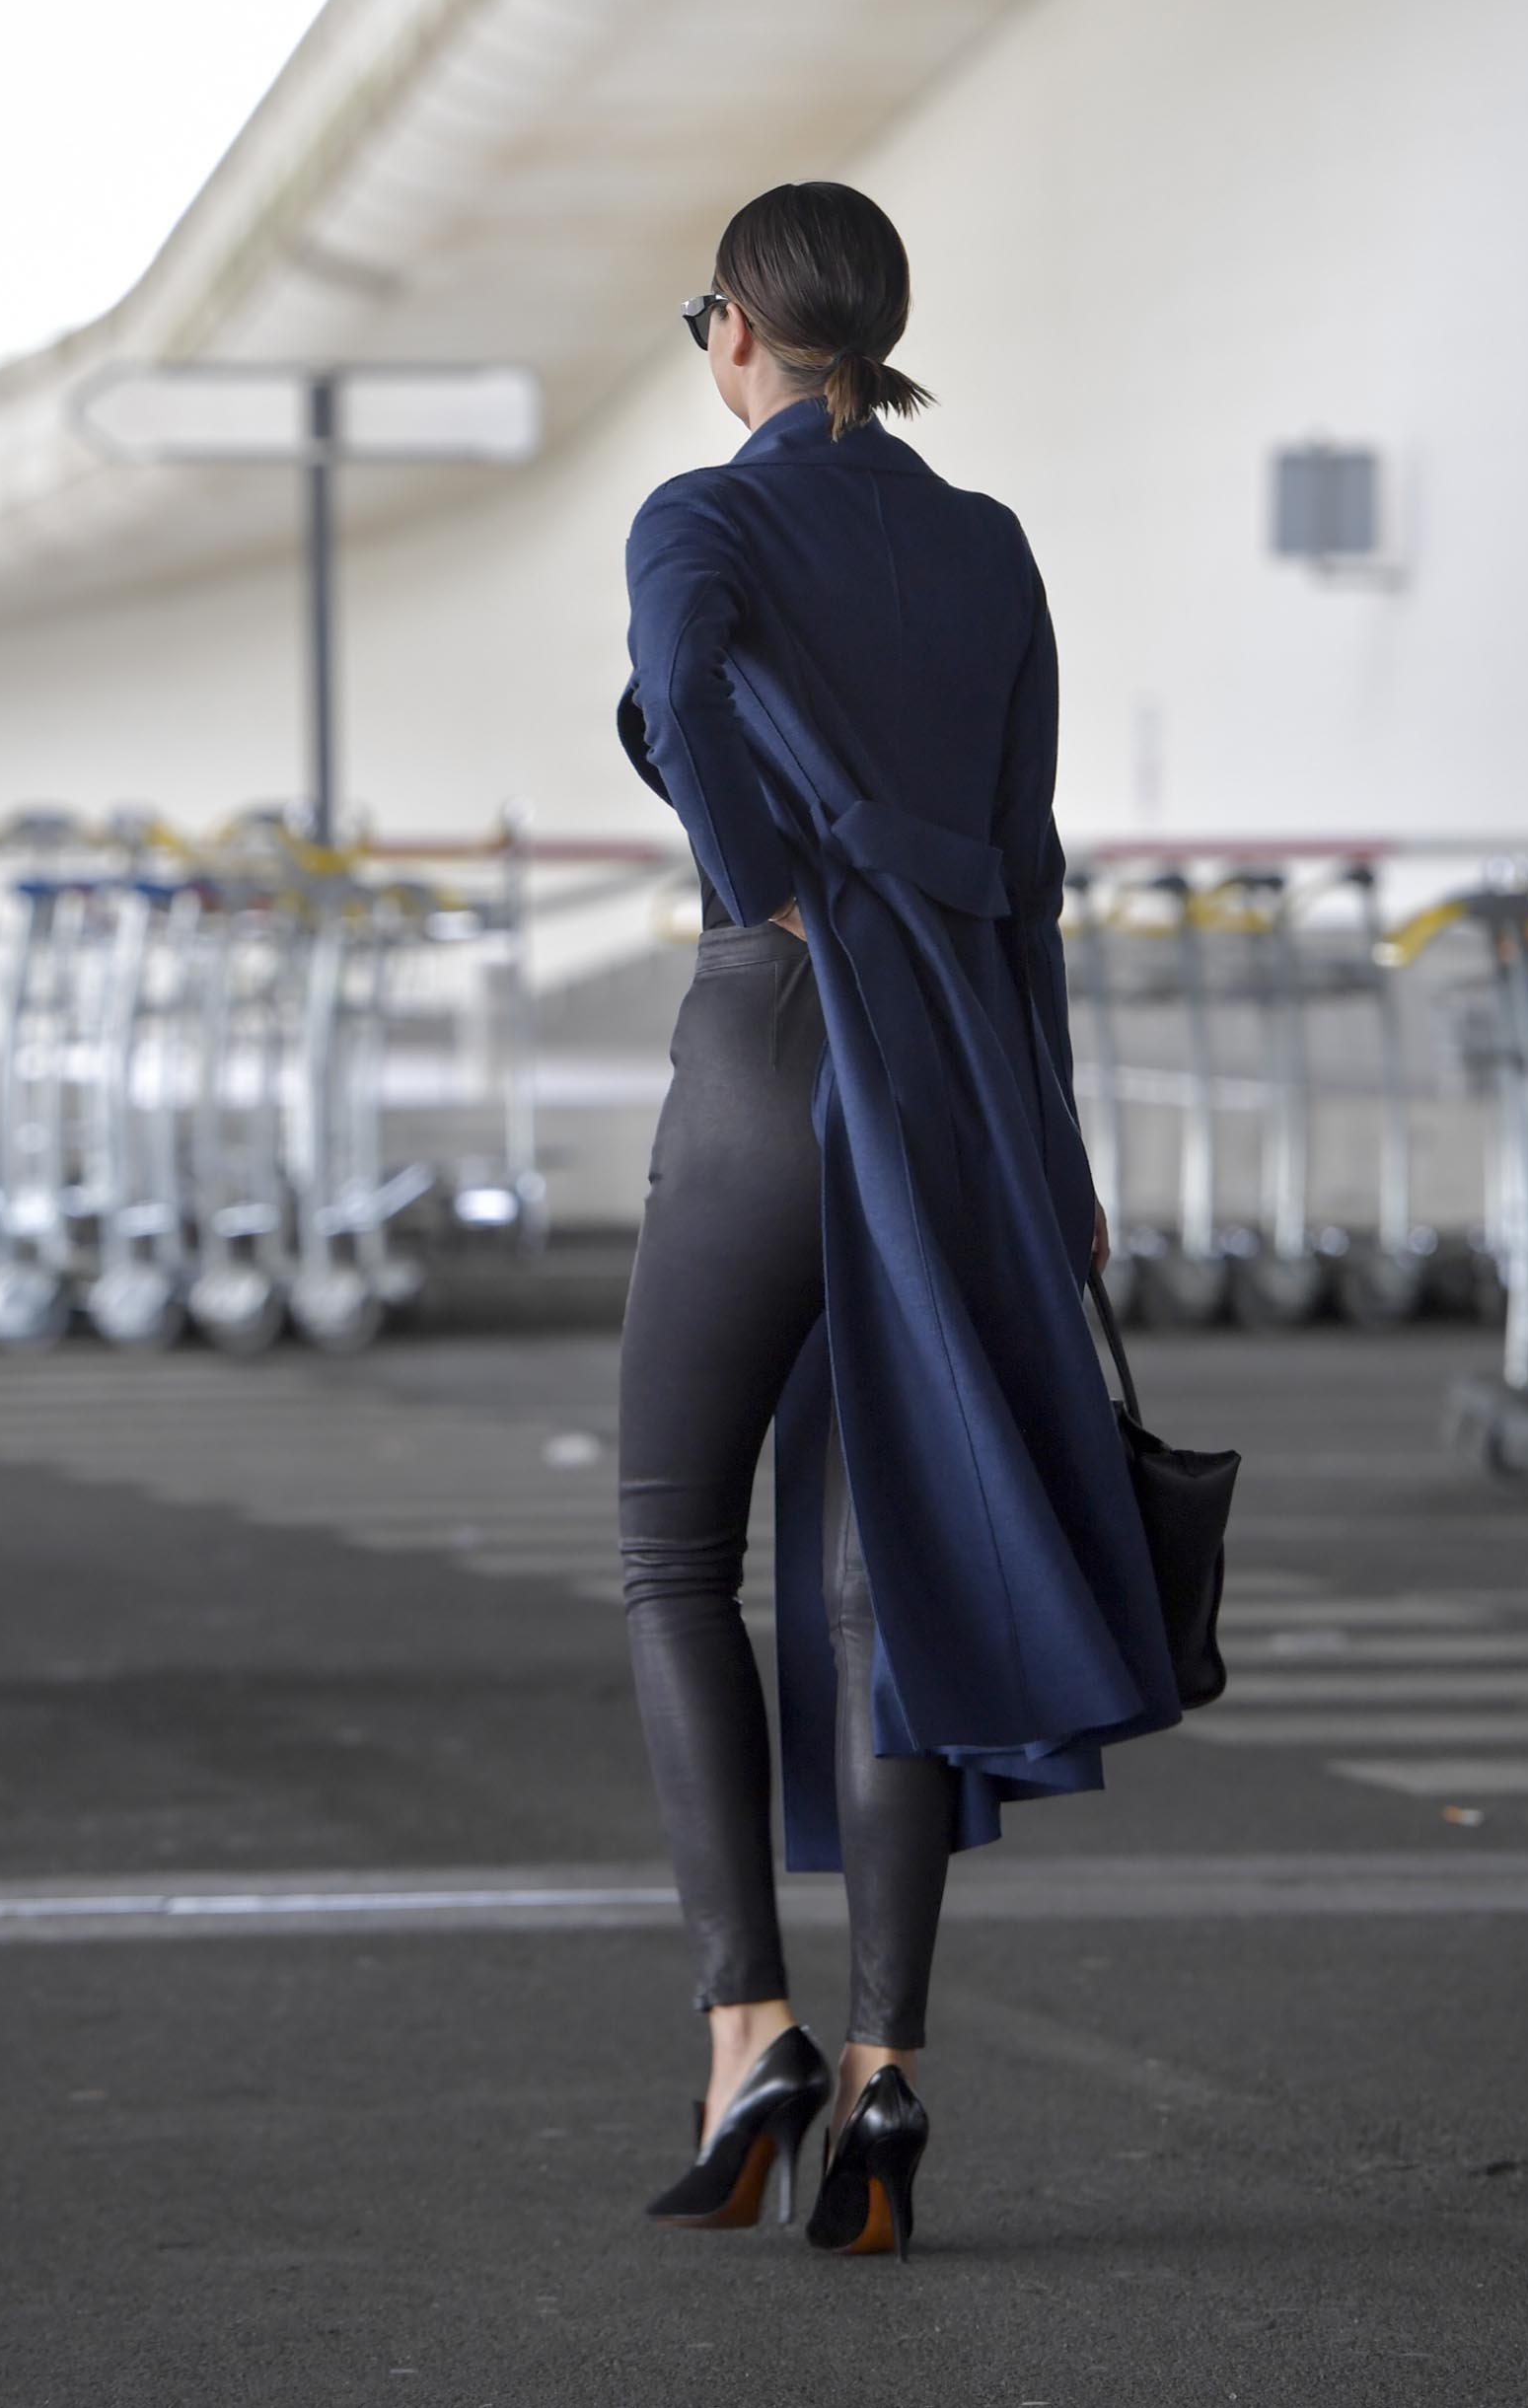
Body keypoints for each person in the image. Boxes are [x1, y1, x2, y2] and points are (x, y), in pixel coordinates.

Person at [613, 180, 1179, 2263]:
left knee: (674, 1548)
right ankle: (884, 2077)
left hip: (774, 1047)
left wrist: (759, 889)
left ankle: (742, 2020)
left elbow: (682, 701)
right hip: (961, 1091)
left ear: (745, 330)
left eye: (707, 319)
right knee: (879, 1594)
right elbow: (1026, 873)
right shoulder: (985, 542)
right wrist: (1058, 1156)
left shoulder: (703, 517)